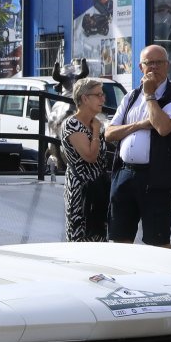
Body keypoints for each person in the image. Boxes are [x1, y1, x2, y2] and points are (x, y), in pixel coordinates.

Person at [105, 44, 171, 247]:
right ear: (140, 67)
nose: (154, 67)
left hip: (156, 177)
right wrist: (139, 125)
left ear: (167, 65)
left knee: (158, 241)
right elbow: (109, 134)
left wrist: (150, 95)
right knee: (119, 238)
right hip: (125, 174)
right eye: (149, 63)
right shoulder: (130, 97)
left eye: (158, 62)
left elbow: (163, 128)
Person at [60, 77, 111, 241]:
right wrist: (96, 130)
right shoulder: (72, 124)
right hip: (81, 191)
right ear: (85, 98)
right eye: (98, 95)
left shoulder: (96, 123)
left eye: (103, 95)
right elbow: (90, 156)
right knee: (80, 237)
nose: (103, 99)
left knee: (99, 236)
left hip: (98, 189)